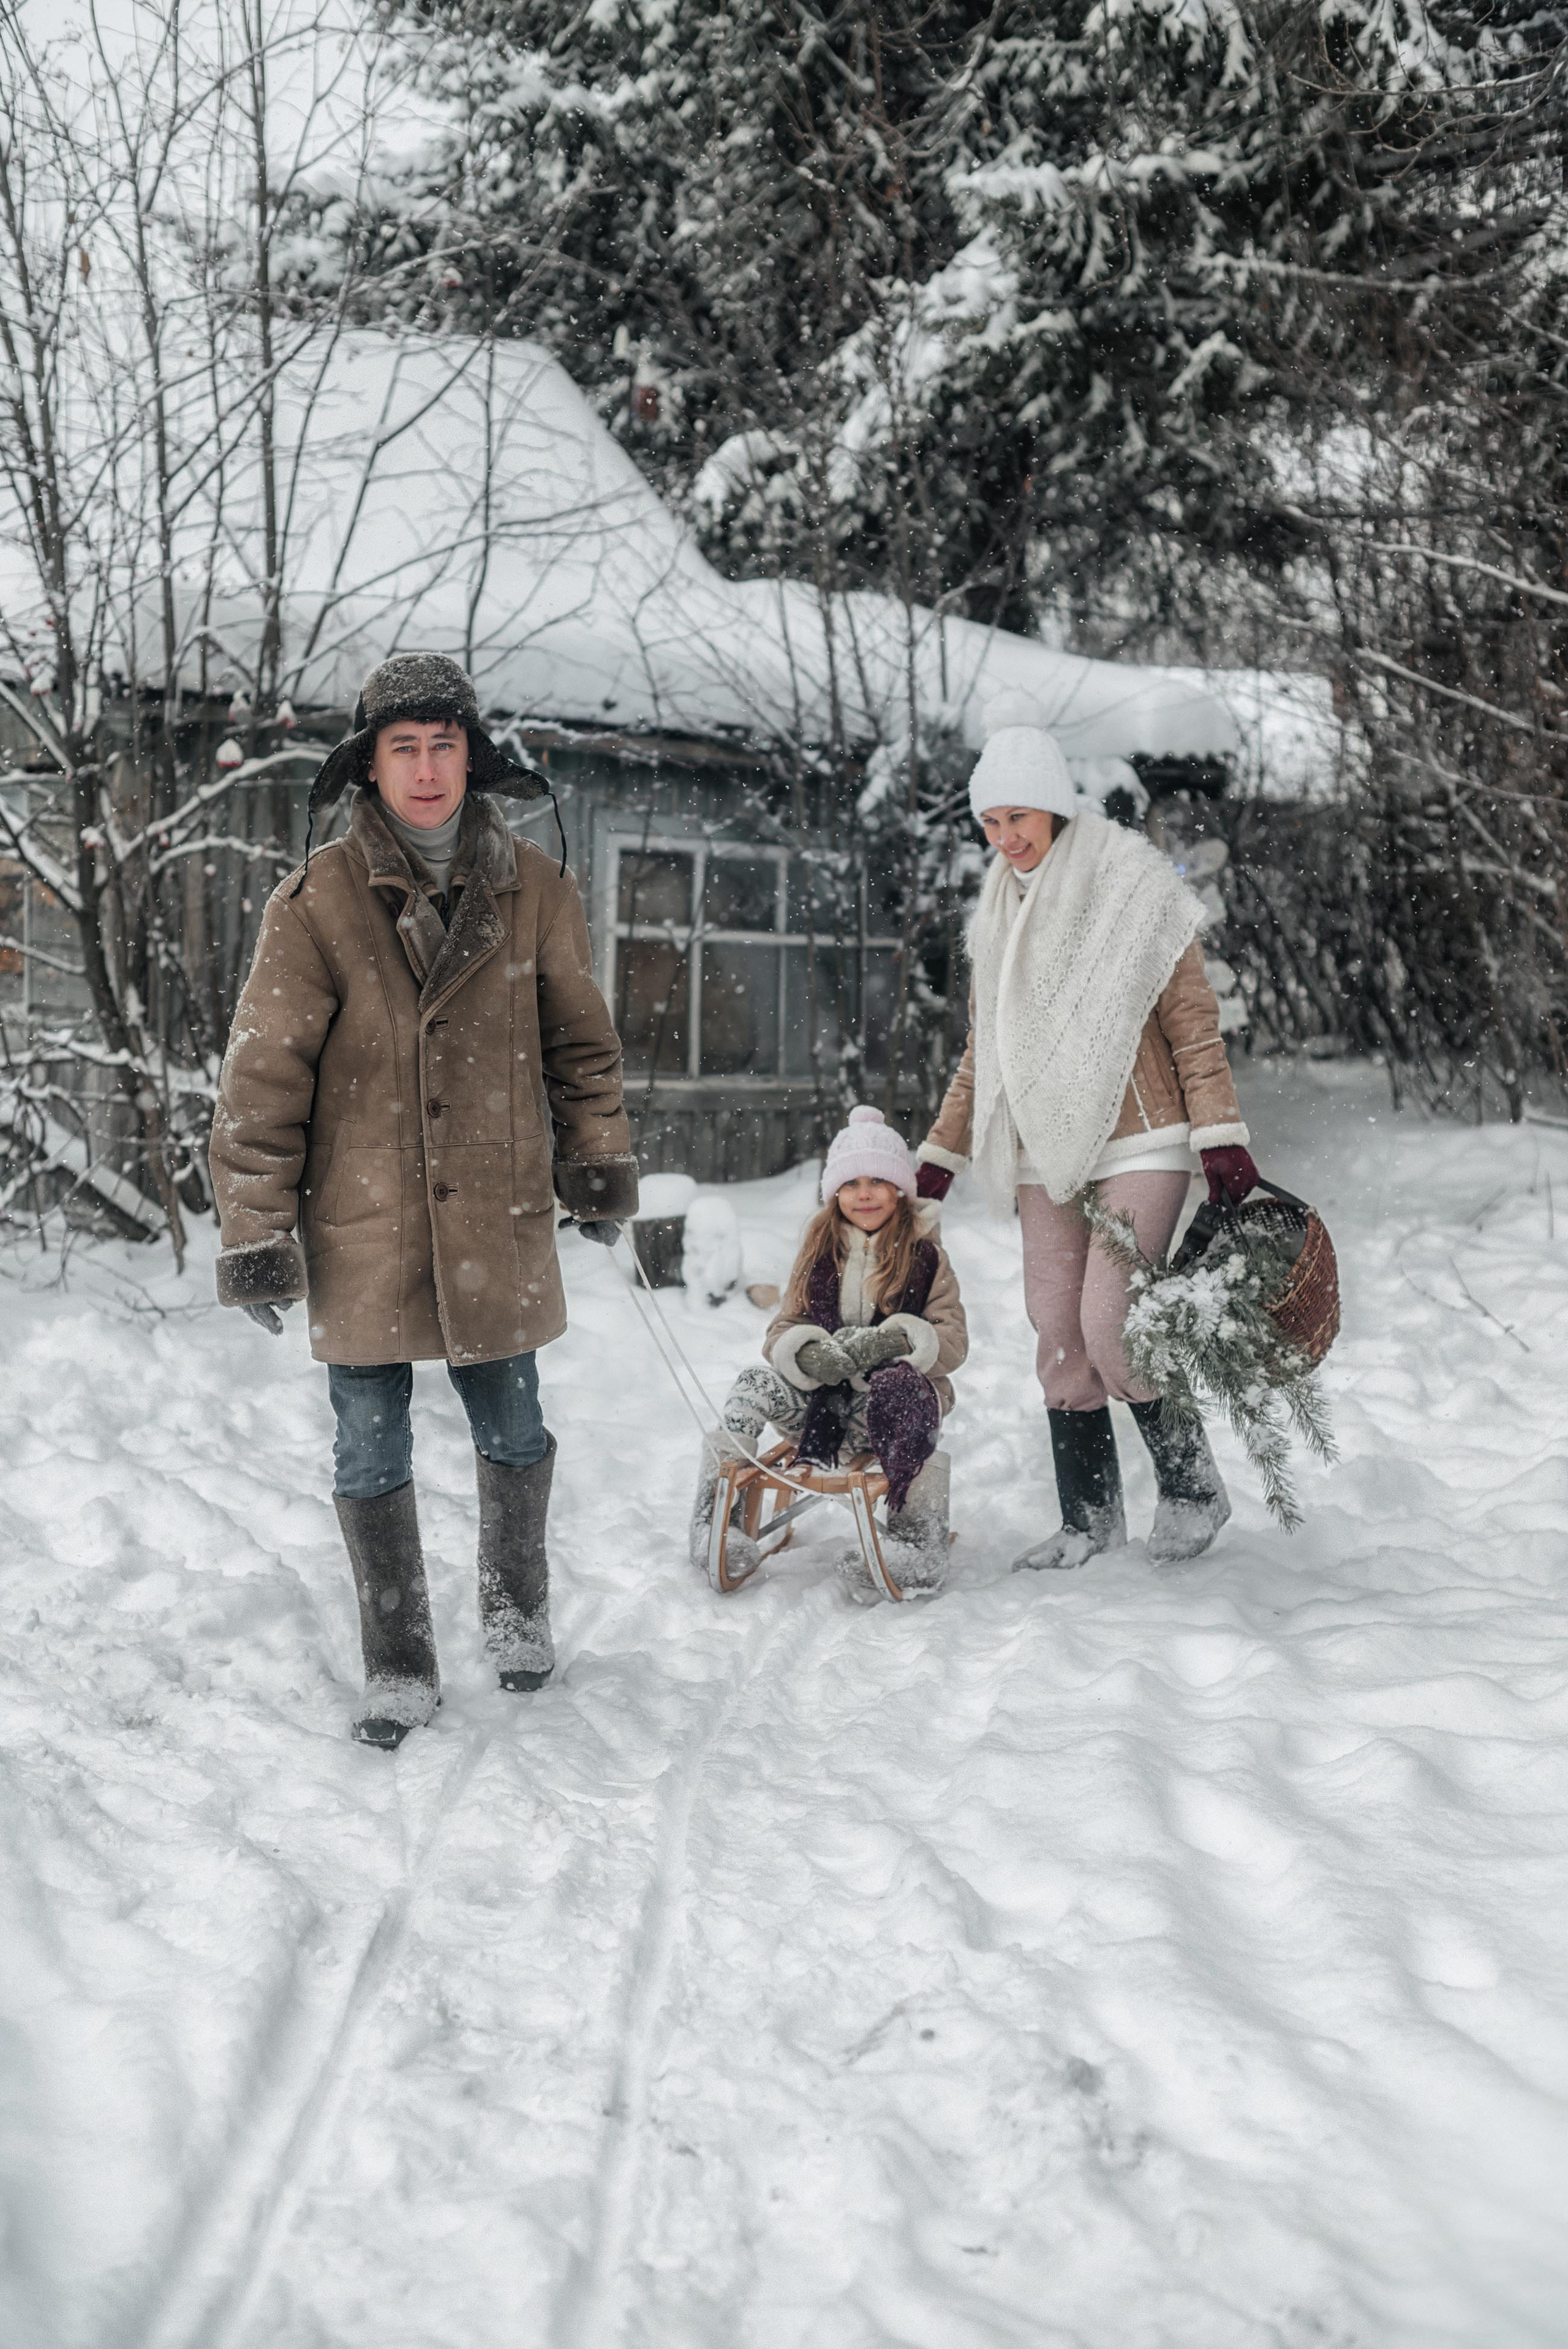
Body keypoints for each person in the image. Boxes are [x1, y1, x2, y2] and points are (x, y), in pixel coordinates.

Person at [208, 653, 638, 1748]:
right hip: (365, 1219)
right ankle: (397, 1661)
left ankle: (516, 1609)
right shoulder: (316, 904)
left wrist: (594, 1163)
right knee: (368, 1446)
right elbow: (263, 1079)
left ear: (471, 756)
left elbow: (582, 1048)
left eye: (444, 744)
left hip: (493, 1212)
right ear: (372, 766)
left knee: (514, 1425)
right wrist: (256, 1227)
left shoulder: (535, 888)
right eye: (404, 747)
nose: (428, 767)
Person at [914, 726, 1258, 1571]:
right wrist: (938, 1155)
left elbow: (1192, 1021)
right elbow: (982, 1051)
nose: (1005, 837)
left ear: (1057, 805)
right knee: (1058, 1333)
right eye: (989, 821)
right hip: (1042, 1147)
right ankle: (1089, 1517)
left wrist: (1220, 1132)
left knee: (1111, 1324)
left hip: (1143, 1134)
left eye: (1018, 815)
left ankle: (1191, 1487)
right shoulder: (998, 907)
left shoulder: (1132, 884)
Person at [690, 1105, 968, 1598]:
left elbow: (953, 1340)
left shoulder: (926, 1255)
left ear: (900, 1190)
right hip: (816, 1408)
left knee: (907, 1399)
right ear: (835, 1191)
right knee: (751, 1383)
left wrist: (898, 1342)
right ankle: (717, 1520)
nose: (864, 1193)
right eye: (852, 1182)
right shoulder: (819, 1251)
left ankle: (916, 1544)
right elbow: (781, 1330)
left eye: (878, 1181)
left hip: (887, 1413)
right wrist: (808, 1353)